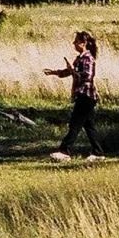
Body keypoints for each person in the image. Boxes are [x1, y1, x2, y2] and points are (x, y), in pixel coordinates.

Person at [46, 30, 103, 160]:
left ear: (84, 43)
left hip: (86, 95)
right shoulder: (80, 58)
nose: (74, 43)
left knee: (75, 123)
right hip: (82, 94)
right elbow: (69, 72)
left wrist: (74, 71)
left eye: (76, 41)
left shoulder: (88, 58)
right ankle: (98, 152)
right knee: (89, 126)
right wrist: (54, 72)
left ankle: (65, 151)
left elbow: (87, 75)